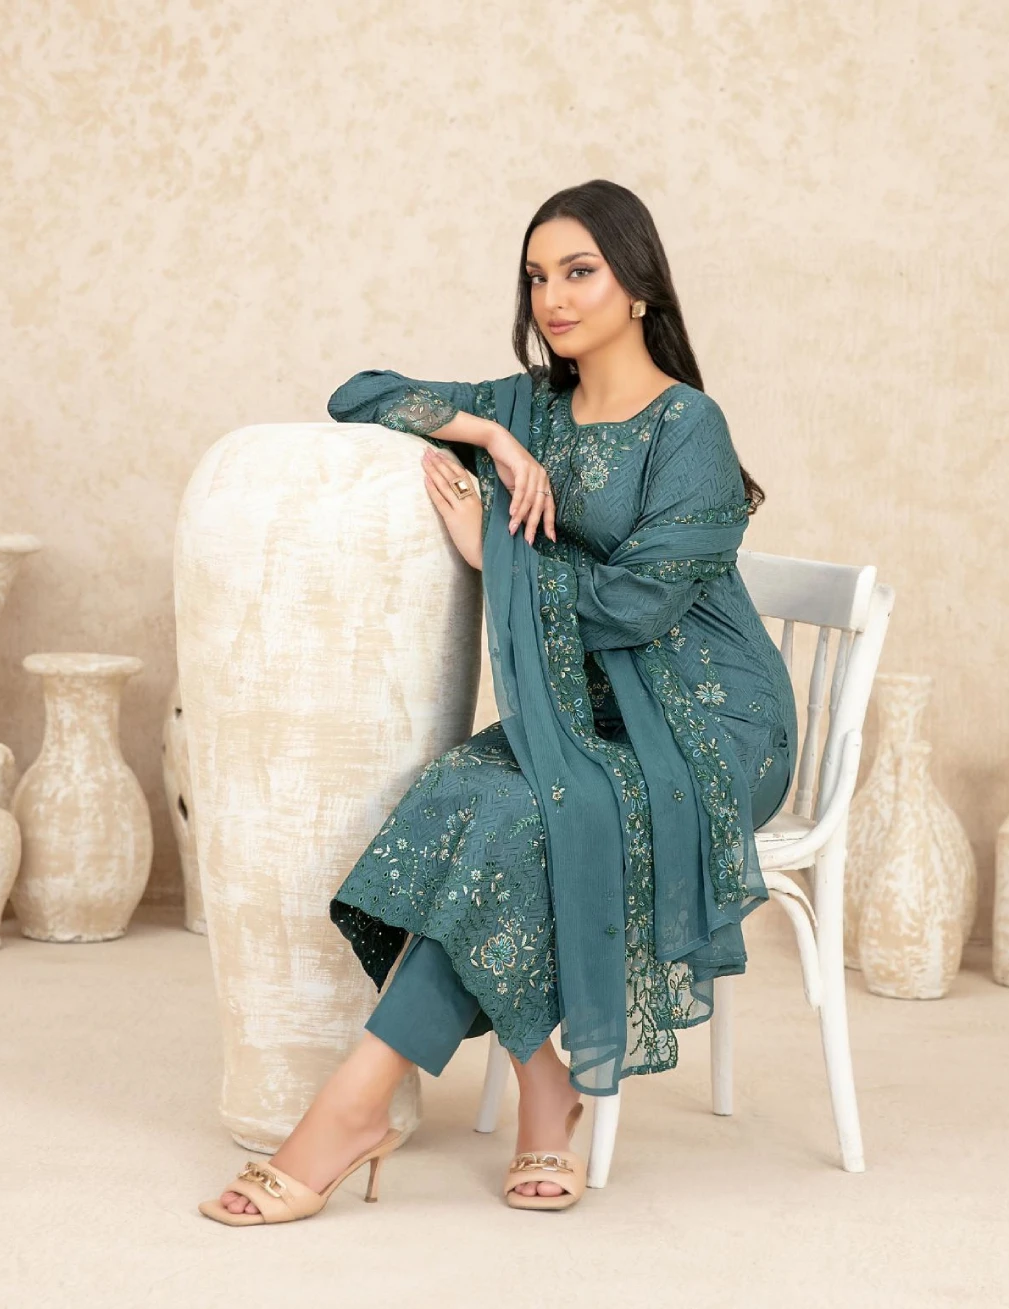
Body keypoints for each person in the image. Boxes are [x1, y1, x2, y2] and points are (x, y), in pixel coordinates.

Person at [199, 178, 797, 1224]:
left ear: (639, 287)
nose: (553, 298)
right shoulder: (530, 408)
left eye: (580, 272)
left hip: (711, 725)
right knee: (464, 794)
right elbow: (361, 394)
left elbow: (636, 605)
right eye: (536, 276)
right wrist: (494, 433)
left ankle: (351, 1110)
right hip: (588, 718)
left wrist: (498, 554)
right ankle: (538, 1091)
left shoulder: (686, 426)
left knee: (521, 812)